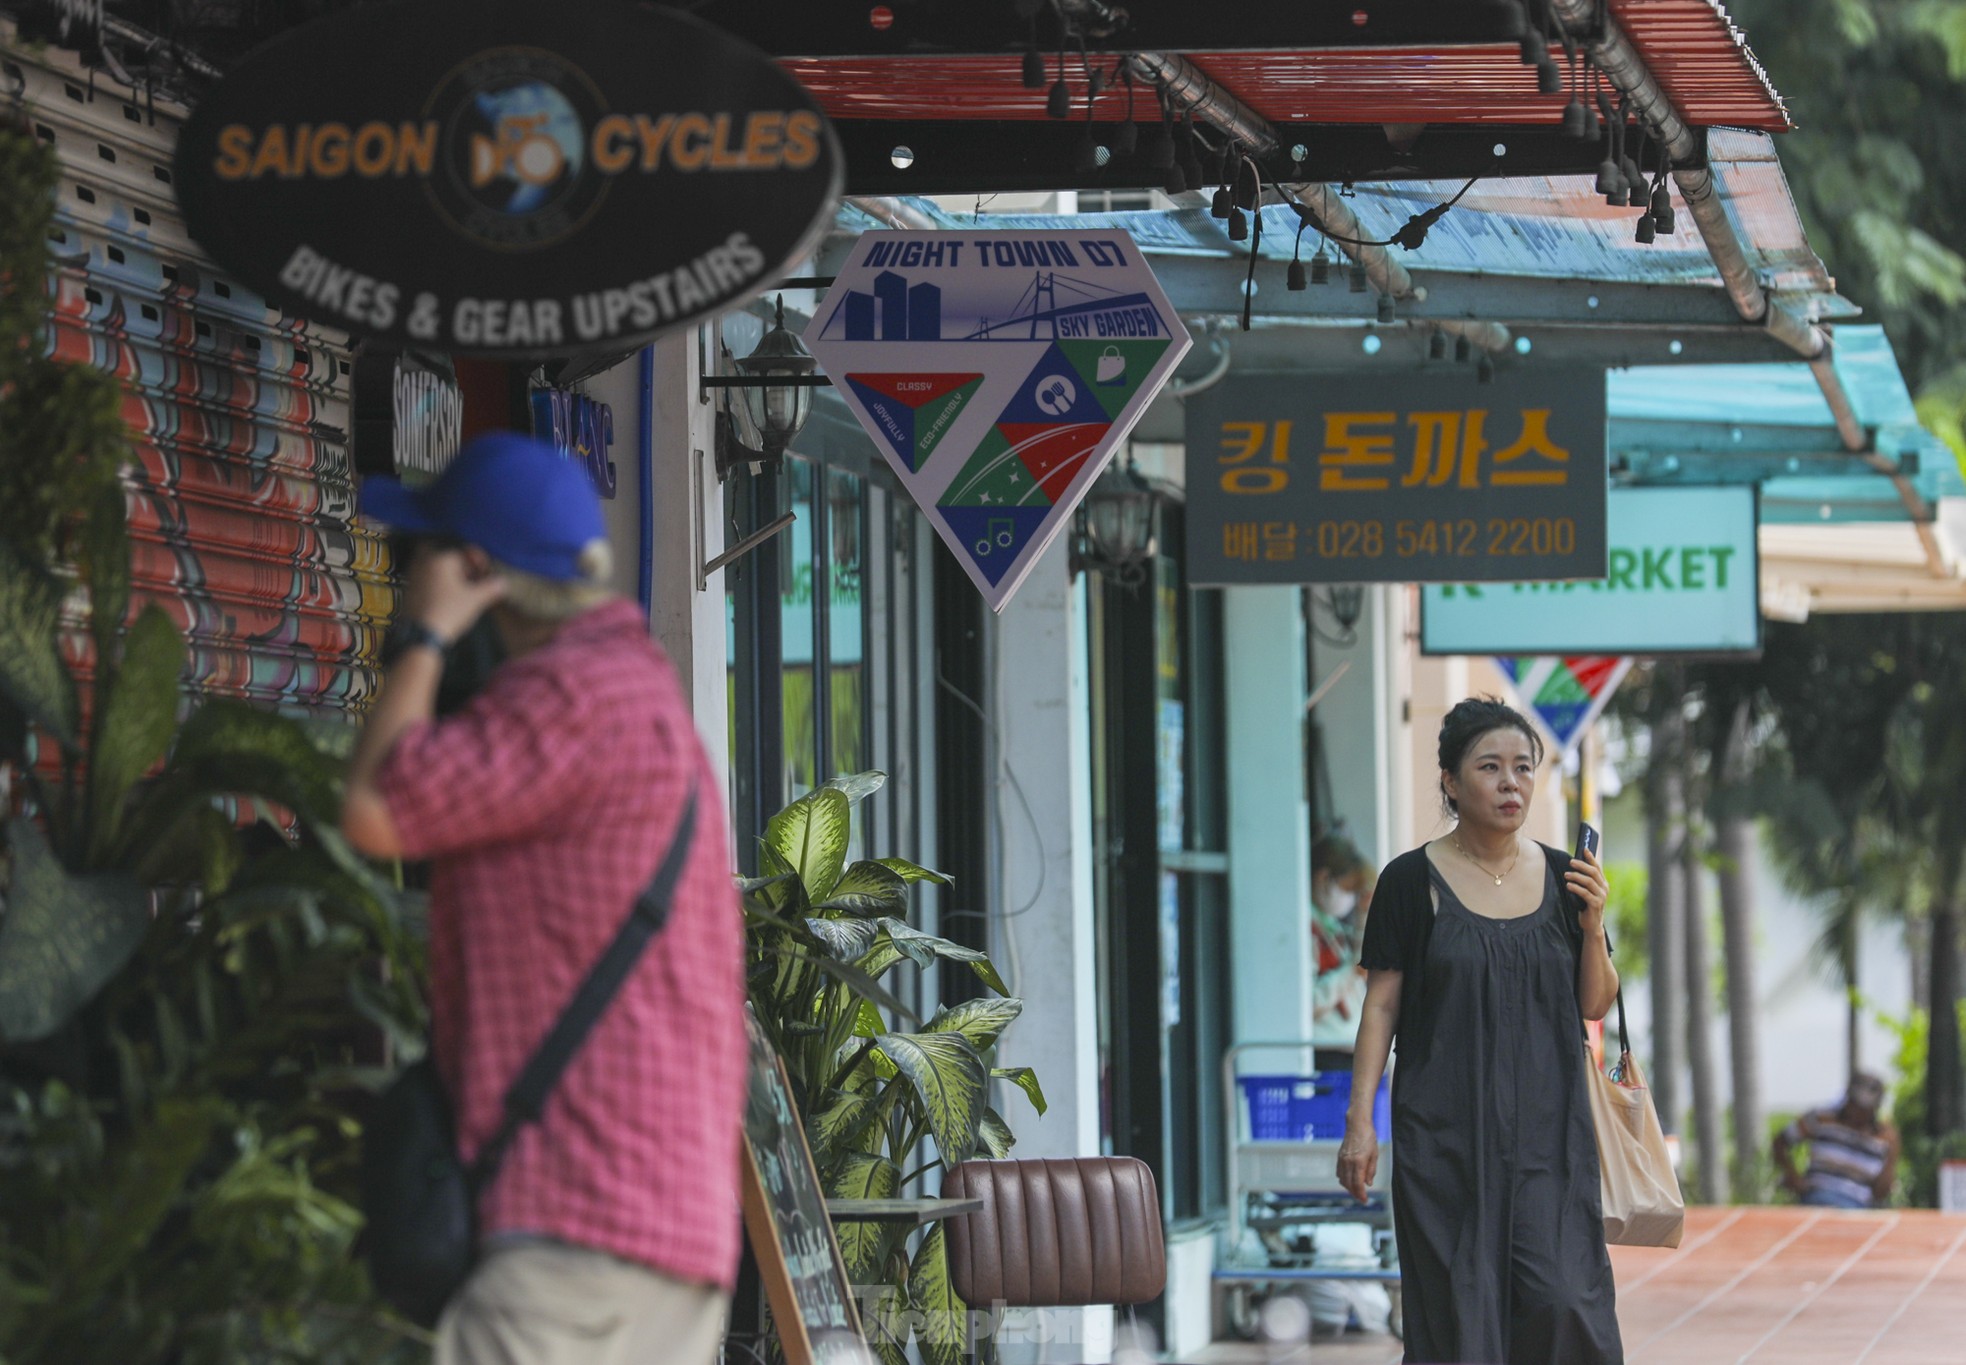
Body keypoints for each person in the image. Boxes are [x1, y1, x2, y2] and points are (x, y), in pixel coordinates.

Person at [340, 431, 746, 1365]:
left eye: (417, 560)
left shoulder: (571, 699)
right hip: (650, 1235)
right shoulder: (633, 697)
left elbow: (374, 804)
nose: (401, 580)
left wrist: (425, 636)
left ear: (475, 571)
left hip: (578, 1230)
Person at [1336, 696, 1622, 1364]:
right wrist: (1359, 1122)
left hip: (1550, 1140)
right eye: (1490, 766)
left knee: (1563, 1302)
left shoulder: (1564, 875)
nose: (1510, 782)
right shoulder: (1411, 881)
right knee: (1461, 1319)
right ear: (1450, 780)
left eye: (1523, 767)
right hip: (1446, 1142)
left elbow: (1596, 1002)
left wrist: (1591, 925)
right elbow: (1380, 1007)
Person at [1772, 1073, 1899, 1209]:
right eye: (1855, 1104)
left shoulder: (1884, 1138)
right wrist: (1792, 1175)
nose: (1859, 1112)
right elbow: (1780, 1142)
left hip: (1857, 1206)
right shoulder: (1821, 1118)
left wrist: (1891, 1158)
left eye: (1865, 1108)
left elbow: (1881, 1192)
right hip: (1816, 1198)